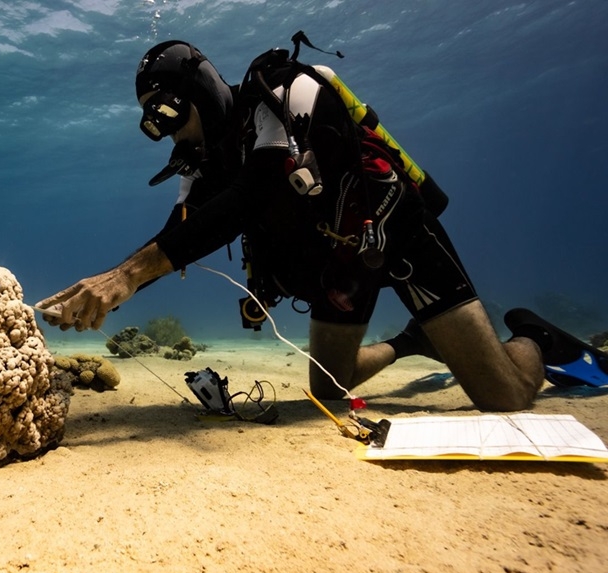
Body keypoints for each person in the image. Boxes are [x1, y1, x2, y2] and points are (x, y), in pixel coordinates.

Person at [37, 35, 608, 411]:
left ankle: (533, 335)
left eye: (166, 112)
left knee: (504, 396)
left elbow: (252, 192)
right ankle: (412, 343)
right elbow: (185, 229)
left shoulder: (282, 96)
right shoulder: (205, 165)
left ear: (201, 91)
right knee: (327, 389)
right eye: (151, 124)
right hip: (343, 269)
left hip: (399, 239)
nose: (167, 133)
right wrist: (112, 283)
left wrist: (126, 276)